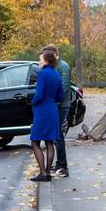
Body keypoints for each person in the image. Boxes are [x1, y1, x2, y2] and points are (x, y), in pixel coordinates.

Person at [29, 47, 64, 182]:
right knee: (49, 142)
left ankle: (43, 173)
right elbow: (60, 95)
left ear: (46, 60)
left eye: (40, 59)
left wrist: (33, 103)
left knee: (35, 142)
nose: (39, 61)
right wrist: (51, 99)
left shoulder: (43, 74)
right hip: (52, 109)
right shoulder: (56, 74)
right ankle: (48, 173)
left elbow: (38, 95)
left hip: (42, 110)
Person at [43, 44, 72, 177]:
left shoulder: (63, 66)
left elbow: (64, 87)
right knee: (56, 136)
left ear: (54, 53)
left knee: (58, 136)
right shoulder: (55, 66)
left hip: (61, 105)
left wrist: (53, 103)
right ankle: (60, 164)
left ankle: (63, 166)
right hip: (56, 104)